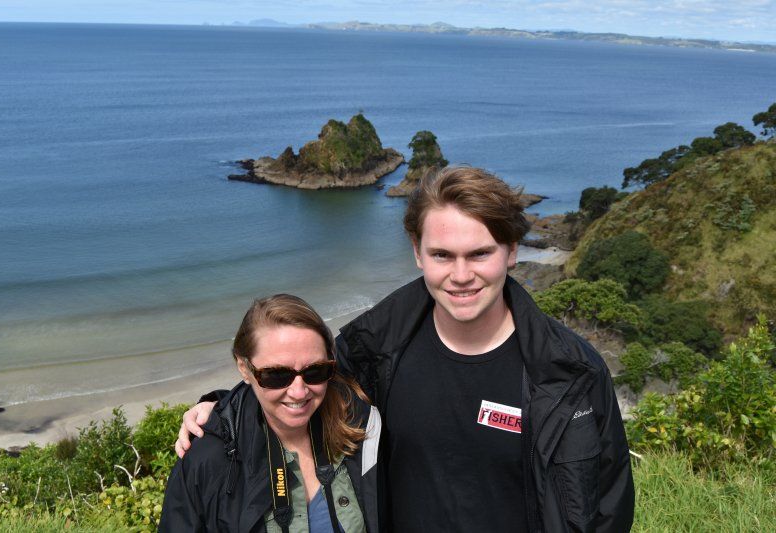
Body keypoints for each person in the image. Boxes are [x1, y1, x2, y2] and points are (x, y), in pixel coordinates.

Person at [177, 167, 634, 532]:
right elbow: (298, 378)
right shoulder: (376, 347)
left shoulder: (569, 371)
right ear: (417, 252)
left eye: (479, 254)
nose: (460, 275)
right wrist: (220, 409)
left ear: (511, 252)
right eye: (442, 255)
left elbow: (609, 506)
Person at [161, 294, 381, 532]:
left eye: (315, 371)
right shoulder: (208, 463)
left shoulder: (362, 425)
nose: (298, 392)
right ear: (244, 369)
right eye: (277, 376)